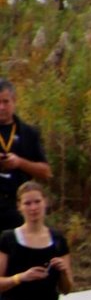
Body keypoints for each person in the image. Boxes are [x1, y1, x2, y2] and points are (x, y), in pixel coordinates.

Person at [0, 182, 72, 300]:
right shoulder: (8, 239)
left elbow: (67, 288)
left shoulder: (57, 239)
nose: (33, 208)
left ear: (45, 203)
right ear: (19, 207)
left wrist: (63, 271)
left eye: (37, 202)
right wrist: (20, 277)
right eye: (27, 203)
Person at [0, 80, 51, 233]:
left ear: (14, 101)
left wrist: (20, 163)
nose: (1, 107)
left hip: (18, 206)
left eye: (6, 102)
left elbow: (46, 172)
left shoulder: (29, 133)